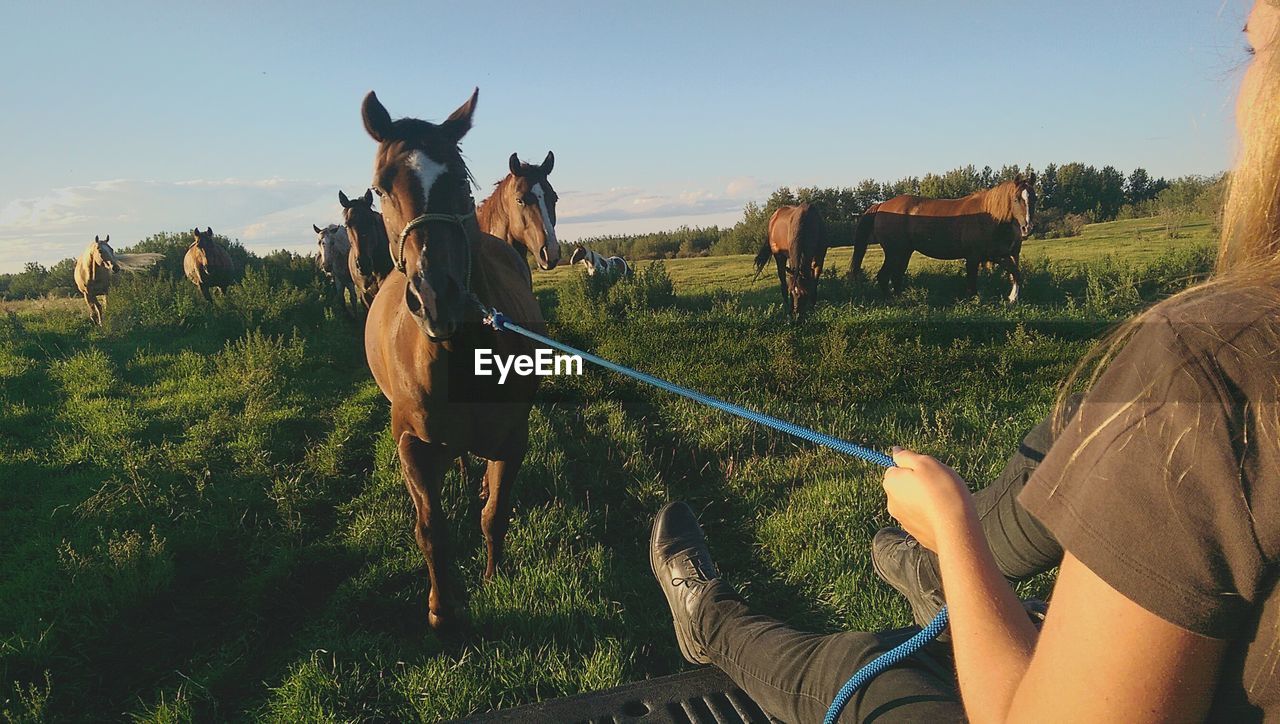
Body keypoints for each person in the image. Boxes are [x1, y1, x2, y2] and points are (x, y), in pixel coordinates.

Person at [650, 3, 1280, 720]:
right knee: (1073, 428)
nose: (1236, 85)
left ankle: (715, 624)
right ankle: (932, 573)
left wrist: (953, 525)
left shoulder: (1219, 361)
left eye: (1254, 49)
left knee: (861, 669)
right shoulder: (1218, 368)